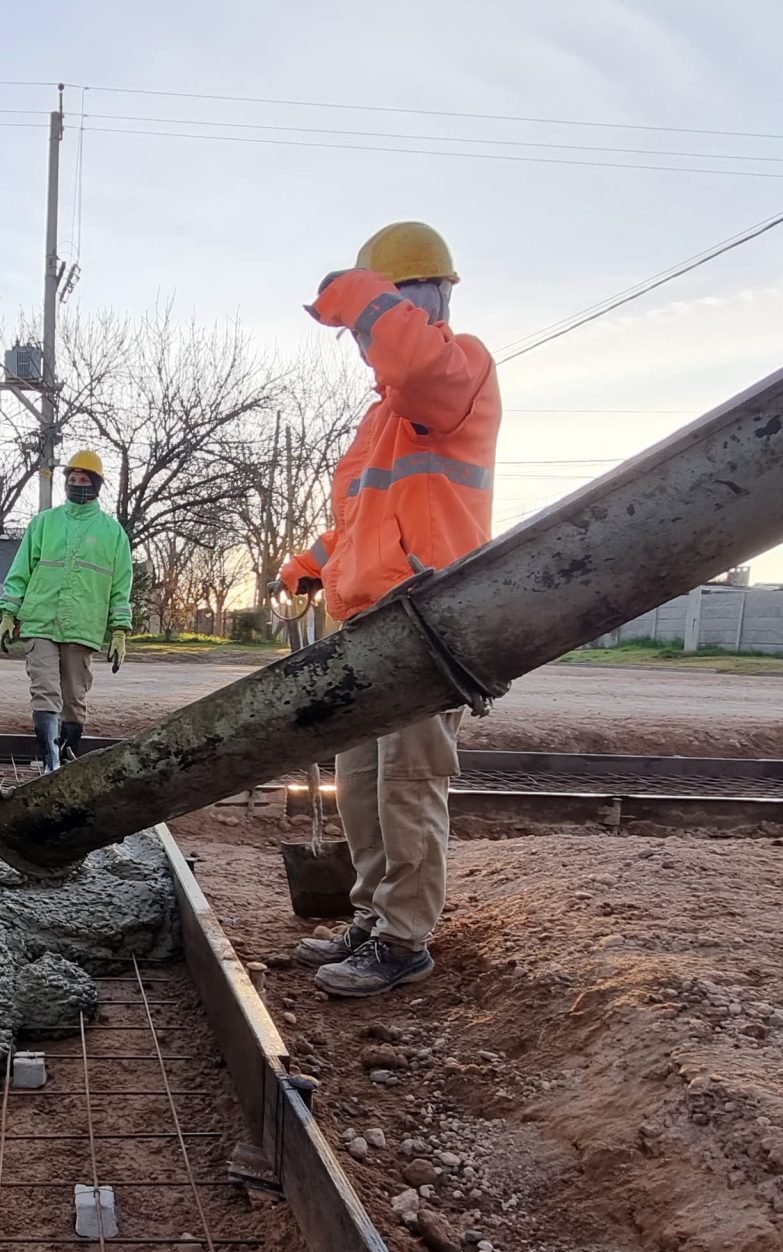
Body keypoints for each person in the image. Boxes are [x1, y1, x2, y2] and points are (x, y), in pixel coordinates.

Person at [278, 221, 499, 999]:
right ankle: (373, 917)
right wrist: (312, 567)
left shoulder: (458, 370)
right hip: (370, 625)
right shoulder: (379, 420)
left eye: (385, 307)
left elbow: (415, 362)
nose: (365, 336)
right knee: (363, 783)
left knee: (408, 783)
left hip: (431, 621)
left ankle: (406, 938)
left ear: (419, 299)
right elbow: (360, 523)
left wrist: (355, 292)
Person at [0, 450, 133, 771]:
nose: (77, 484)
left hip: (82, 627)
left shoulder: (113, 534)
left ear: (96, 485)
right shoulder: (44, 523)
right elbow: (19, 572)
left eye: (84, 480)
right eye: (72, 479)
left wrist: (119, 630)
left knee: (74, 699)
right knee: (44, 692)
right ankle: (49, 762)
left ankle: (67, 756)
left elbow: (120, 588)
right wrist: (7, 613)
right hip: (39, 622)